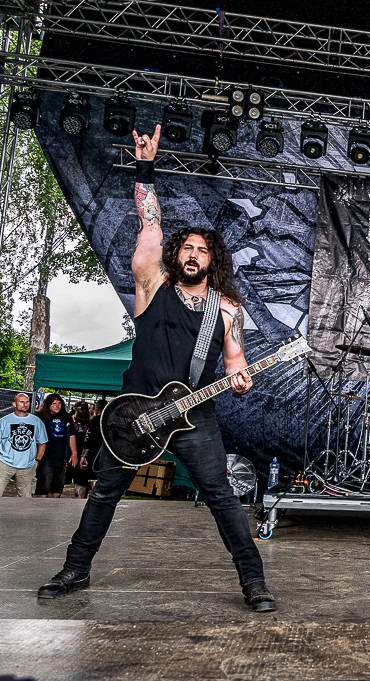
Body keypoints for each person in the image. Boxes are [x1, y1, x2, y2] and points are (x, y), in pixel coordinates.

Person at [37, 125, 275, 613]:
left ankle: (254, 581)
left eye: (202, 250)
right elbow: (149, 226)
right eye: (187, 247)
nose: (193, 254)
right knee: (105, 493)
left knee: (222, 497)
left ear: (212, 260)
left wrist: (242, 379)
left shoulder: (227, 309)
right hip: (132, 412)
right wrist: (145, 167)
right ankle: (75, 568)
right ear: (176, 253)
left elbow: (236, 362)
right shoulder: (153, 285)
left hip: (193, 415)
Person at [0, 393, 48, 498]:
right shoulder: (4, 421)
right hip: (5, 463)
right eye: (21, 402)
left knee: (26, 498)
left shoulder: (36, 421)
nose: (25, 404)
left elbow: (42, 442)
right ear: (14, 404)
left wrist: (37, 460)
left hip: (28, 465)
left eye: (27, 402)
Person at [34, 394, 77, 498]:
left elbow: (72, 435)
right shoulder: (41, 417)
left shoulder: (66, 417)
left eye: (59, 403)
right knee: (44, 489)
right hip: (45, 457)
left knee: (57, 490)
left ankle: (53, 506)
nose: (57, 406)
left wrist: (74, 453)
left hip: (61, 457)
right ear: (48, 405)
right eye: (54, 404)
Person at [71, 401, 92, 498]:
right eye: (81, 409)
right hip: (73, 455)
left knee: (84, 480)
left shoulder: (91, 422)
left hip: (87, 456)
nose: (84, 411)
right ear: (75, 408)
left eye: (86, 409)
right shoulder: (71, 421)